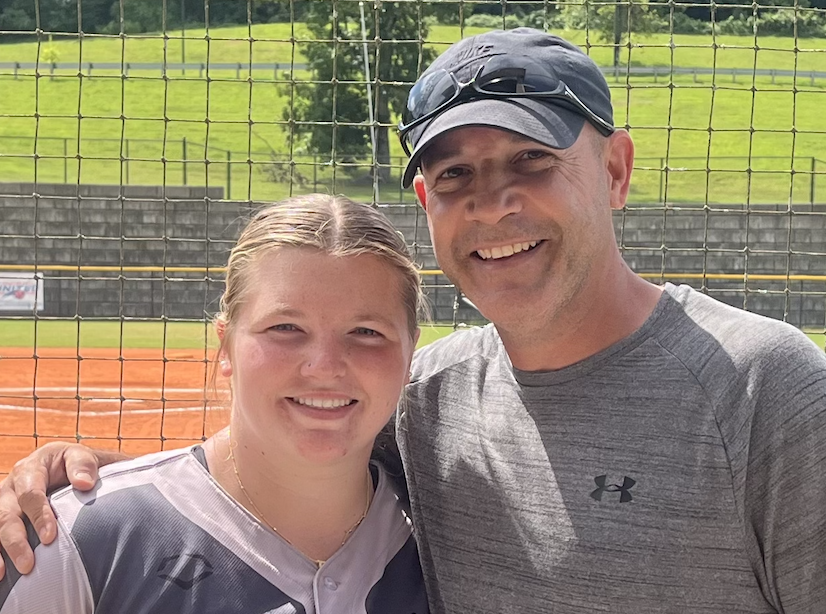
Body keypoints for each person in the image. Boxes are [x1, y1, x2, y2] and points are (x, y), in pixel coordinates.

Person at [3, 27, 826, 613]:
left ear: (615, 169)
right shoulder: (427, 394)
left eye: (532, 161)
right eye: (457, 174)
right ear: (428, 203)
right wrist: (93, 486)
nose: (494, 204)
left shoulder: (765, 390)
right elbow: (285, 460)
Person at [0, 195, 430, 613]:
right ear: (225, 346)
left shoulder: (445, 544)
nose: (325, 366)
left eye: (367, 332)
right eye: (285, 327)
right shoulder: (72, 541)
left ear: (411, 355)